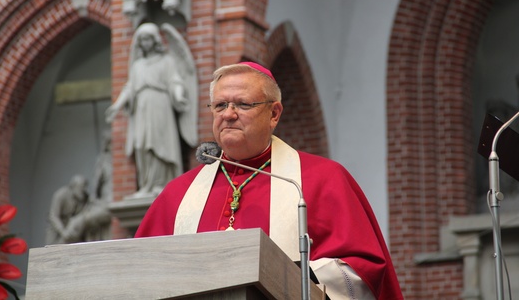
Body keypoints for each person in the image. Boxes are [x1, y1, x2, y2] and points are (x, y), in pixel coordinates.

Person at [135, 62, 403, 299]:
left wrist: (293, 277)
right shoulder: (178, 194)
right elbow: (139, 271)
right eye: (219, 105)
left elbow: (362, 267)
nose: (228, 114)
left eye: (243, 104)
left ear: (274, 114)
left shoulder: (321, 179)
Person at [106, 22, 198, 197]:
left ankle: (161, 184)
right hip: (141, 107)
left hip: (160, 105)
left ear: (155, 40)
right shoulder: (137, 66)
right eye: (142, 40)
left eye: (148, 39)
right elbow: (130, 87)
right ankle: (146, 186)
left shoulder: (167, 61)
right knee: (142, 144)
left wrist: (178, 96)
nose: (145, 43)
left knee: (158, 142)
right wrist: (116, 106)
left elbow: (175, 81)